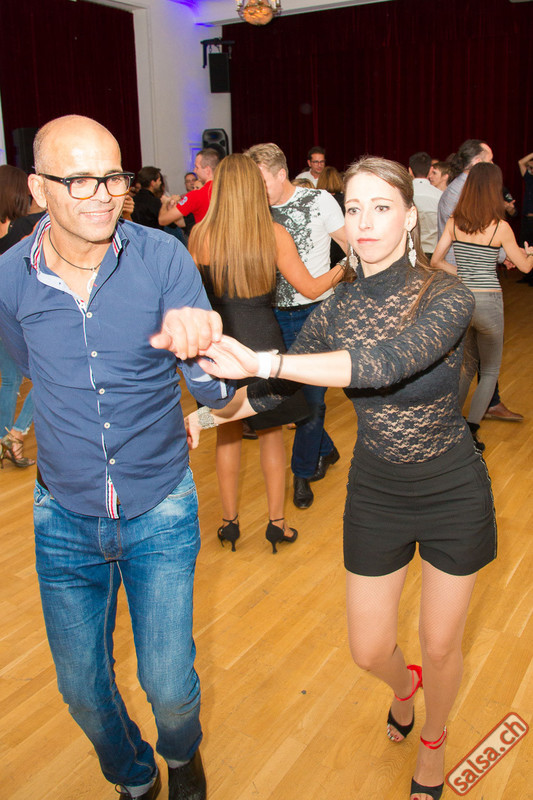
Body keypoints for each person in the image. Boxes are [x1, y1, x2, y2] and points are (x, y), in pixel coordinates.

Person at [185, 156, 497, 800]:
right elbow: (275, 395)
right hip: (377, 491)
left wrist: (267, 360)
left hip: (452, 488)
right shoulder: (335, 308)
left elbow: (384, 363)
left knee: (440, 645)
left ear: (410, 218)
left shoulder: (446, 295)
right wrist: (207, 416)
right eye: (353, 209)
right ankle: (403, 688)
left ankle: (433, 740)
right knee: (369, 650)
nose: (364, 222)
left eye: (381, 207)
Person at [0, 114, 235, 800]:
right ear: (39, 190)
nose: (104, 195)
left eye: (113, 176)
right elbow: (30, 366)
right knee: (80, 686)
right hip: (63, 513)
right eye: (80, 180)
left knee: (169, 685)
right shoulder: (9, 277)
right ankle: (133, 773)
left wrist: (206, 349)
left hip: (159, 505)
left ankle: (182, 756)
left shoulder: (164, 258)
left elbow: (217, 395)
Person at [188, 153, 344, 552]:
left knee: (227, 432)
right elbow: (311, 288)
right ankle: (277, 524)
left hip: (219, 348)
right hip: (263, 345)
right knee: (271, 434)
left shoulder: (200, 235)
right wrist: (349, 265)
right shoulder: (272, 234)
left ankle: (229, 524)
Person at [246, 142, 347, 510]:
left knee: (314, 401)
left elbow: (350, 247)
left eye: (262, 182)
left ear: (281, 174)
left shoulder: (319, 201)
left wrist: (345, 278)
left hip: (315, 312)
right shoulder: (255, 210)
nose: (257, 190)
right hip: (271, 314)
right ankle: (326, 449)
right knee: (290, 398)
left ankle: (302, 474)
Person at [431, 162, 533, 450]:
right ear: (493, 189)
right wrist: (530, 253)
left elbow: (436, 261)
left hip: (463, 300)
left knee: (466, 366)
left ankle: (450, 425)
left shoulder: (455, 222)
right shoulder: (500, 227)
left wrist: (463, 273)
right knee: (489, 370)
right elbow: (525, 267)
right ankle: (471, 429)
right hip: (488, 301)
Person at [0, 164, 41, 467]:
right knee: (47, 376)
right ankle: (15, 434)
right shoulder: (25, 228)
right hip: (21, 311)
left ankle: (5, 442)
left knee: (9, 380)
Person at [159, 149, 220, 229]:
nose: (194, 170)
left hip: (206, 236)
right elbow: (183, 223)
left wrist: (164, 203)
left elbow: (162, 220)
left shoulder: (196, 195)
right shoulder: (227, 190)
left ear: (207, 170)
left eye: (197, 167)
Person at [408, 152, 442, 259]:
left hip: (409, 252)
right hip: (433, 253)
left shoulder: (403, 194)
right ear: (431, 170)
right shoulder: (440, 196)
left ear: (410, 171)